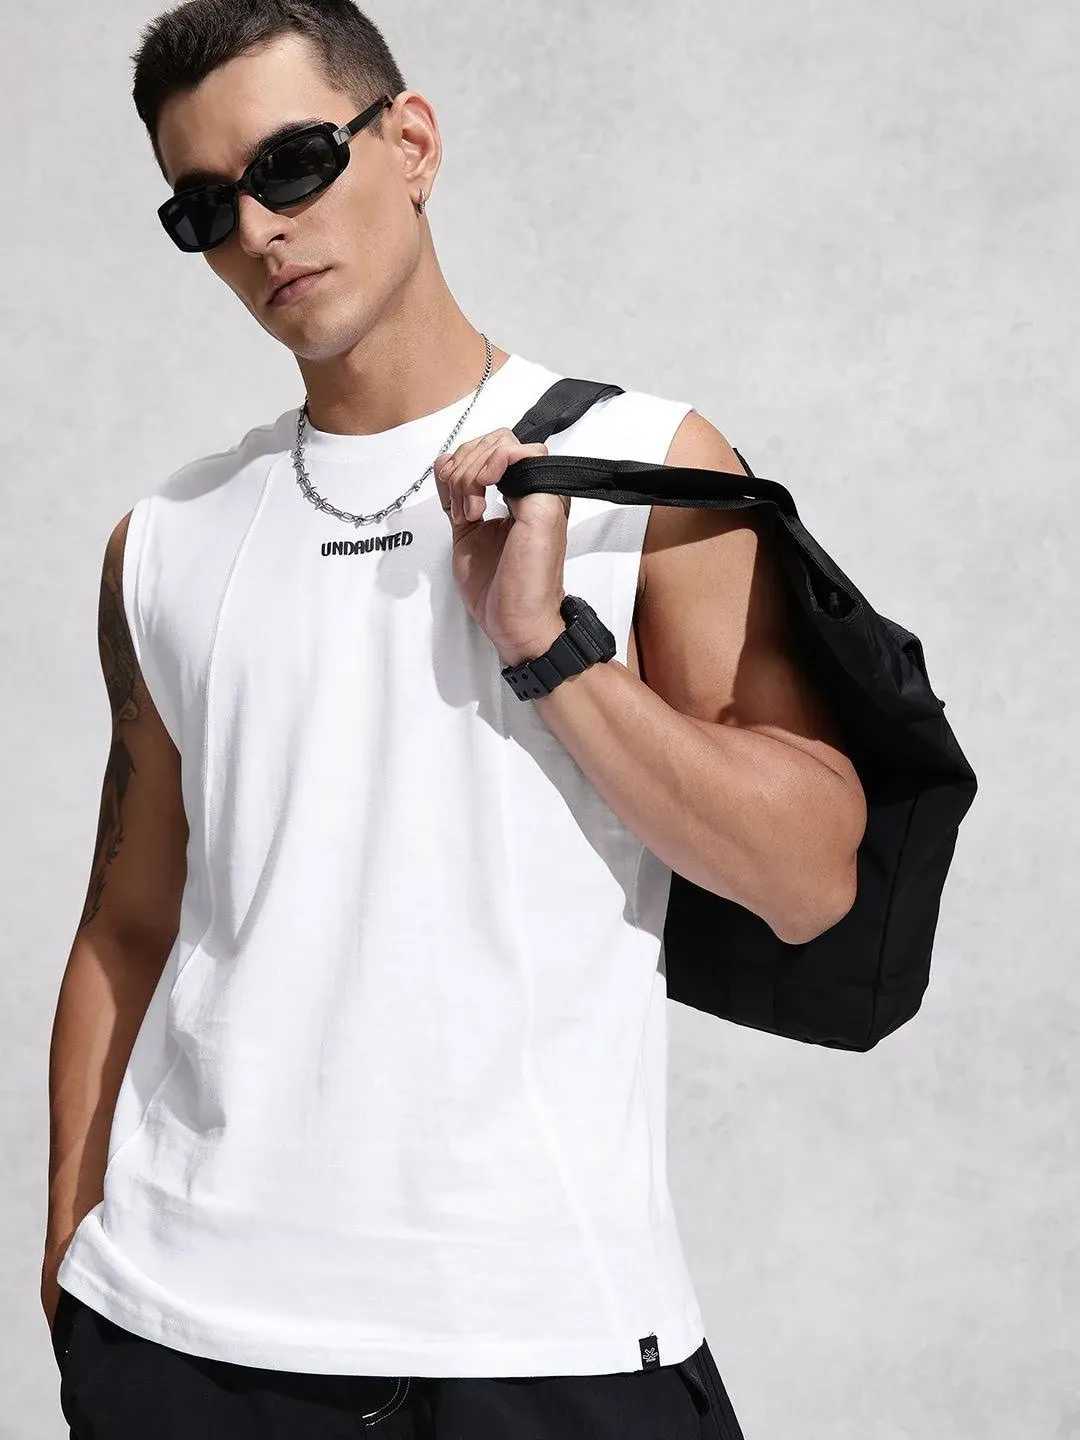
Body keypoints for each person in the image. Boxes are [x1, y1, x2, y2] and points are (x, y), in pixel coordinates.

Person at [43, 2, 865, 1436]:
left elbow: (810, 881)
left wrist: (551, 651)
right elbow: (126, 923)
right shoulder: (164, 541)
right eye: (205, 207)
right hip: (183, 1338)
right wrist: (69, 1264)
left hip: (544, 1332)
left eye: (292, 164)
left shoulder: (637, 463)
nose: (259, 229)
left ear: (411, 141)